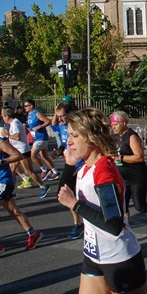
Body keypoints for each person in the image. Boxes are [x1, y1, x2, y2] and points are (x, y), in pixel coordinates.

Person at [57, 108, 147, 294]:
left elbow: (114, 225)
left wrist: (76, 205)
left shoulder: (104, 172)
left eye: (75, 136)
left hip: (119, 259)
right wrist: (69, 165)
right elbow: (62, 194)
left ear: (92, 138)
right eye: (68, 135)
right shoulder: (85, 166)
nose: (69, 141)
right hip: (93, 256)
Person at [0, 115, 42, 258]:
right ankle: (33, 234)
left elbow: (18, 155)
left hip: (3, 182)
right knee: (14, 211)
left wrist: (2, 162)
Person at [111, 111, 147, 235]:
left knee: (140, 206)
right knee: (123, 206)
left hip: (137, 177)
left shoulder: (131, 136)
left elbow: (139, 157)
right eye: (112, 124)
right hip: (122, 177)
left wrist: (121, 158)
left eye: (115, 124)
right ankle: (125, 231)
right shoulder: (116, 138)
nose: (113, 127)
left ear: (125, 122)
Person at [1, 107, 50, 198]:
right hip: (17, 151)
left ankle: (43, 186)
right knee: (12, 169)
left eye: (3, 116)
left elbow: (17, 137)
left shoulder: (15, 123)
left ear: (7, 116)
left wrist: (7, 135)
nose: (2, 118)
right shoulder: (14, 123)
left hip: (22, 151)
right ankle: (10, 192)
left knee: (29, 171)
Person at [53, 102, 85, 240]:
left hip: (82, 164)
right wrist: (59, 151)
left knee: (82, 194)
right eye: (58, 116)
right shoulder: (62, 127)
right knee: (64, 193)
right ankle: (78, 223)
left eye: (62, 116)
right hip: (70, 164)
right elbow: (64, 145)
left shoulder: (80, 126)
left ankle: (83, 223)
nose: (60, 119)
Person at [24, 99, 60, 181]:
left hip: (41, 138)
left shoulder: (37, 113)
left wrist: (39, 127)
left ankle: (44, 170)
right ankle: (55, 171)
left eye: (26, 106)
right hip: (36, 138)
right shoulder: (29, 115)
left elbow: (48, 121)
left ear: (31, 106)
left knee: (32, 156)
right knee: (44, 156)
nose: (24, 107)